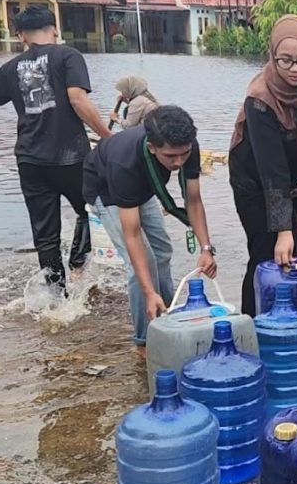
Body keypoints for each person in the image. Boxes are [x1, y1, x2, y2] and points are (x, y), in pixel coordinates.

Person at [0, 5, 111, 292]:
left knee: (45, 234)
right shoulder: (69, 56)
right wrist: (107, 136)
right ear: (54, 29)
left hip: (30, 161)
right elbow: (77, 99)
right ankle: (79, 264)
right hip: (71, 157)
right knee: (95, 209)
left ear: (21, 36)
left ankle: (55, 297)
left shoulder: (11, 67)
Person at [228, 15, 297, 316]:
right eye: (286, 61)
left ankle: (292, 320)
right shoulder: (260, 98)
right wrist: (281, 229)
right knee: (266, 252)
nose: (296, 69)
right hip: (254, 180)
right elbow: (270, 168)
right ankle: (252, 324)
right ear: (273, 57)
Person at [84, 105, 218, 347]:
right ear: (151, 146)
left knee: (163, 252)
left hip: (144, 186)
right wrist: (148, 291)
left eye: (183, 155)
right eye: (170, 157)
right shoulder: (124, 162)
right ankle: (145, 339)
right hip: (108, 190)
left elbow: (194, 201)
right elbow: (132, 234)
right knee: (142, 262)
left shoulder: (187, 146)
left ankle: (169, 315)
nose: (178, 162)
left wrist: (206, 248)